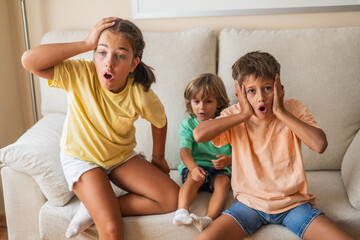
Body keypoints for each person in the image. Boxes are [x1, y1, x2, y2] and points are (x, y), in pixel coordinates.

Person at [21, 17, 179, 240]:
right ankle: (100, 209)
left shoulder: (140, 94)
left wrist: (159, 157)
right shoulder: (79, 74)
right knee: (112, 229)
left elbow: (160, 121)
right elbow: (29, 61)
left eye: (120, 56)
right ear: (94, 53)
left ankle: (94, 208)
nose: (109, 63)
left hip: (119, 156)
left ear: (134, 63)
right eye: (102, 52)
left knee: (173, 198)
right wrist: (86, 44)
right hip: (83, 160)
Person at [192, 51, 355, 240]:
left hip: (294, 206)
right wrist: (244, 115)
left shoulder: (293, 109)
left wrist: (280, 111)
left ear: (279, 88)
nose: (261, 98)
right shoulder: (236, 114)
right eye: (251, 91)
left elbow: (319, 144)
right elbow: (199, 134)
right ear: (240, 95)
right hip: (249, 206)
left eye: (267, 88)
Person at [172, 73, 232, 232]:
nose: (202, 107)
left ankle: (208, 218)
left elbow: (241, 150)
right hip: (196, 167)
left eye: (208, 102)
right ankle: (182, 210)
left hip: (221, 170)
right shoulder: (188, 124)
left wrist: (229, 160)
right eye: (196, 101)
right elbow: (185, 150)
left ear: (219, 103)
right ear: (190, 102)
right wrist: (192, 167)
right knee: (193, 179)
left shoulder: (227, 123)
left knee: (223, 183)